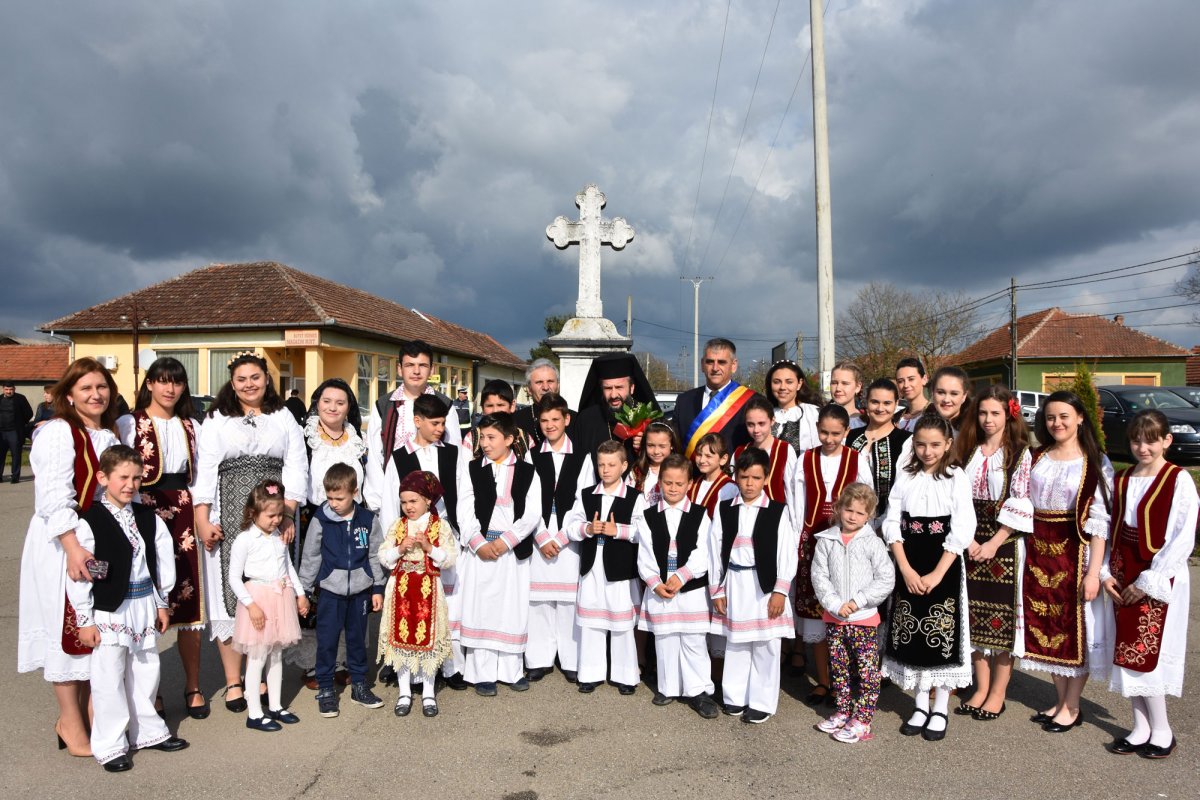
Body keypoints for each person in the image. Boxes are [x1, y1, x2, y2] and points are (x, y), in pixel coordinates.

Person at [18, 358, 121, 757]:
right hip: (64, 541)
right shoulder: (59, 433)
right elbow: (52, 496)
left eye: (102, 387)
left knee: (95, 627)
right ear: (68, 395)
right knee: (68, 628)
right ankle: (69, 722)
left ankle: (93, 714)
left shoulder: (109, 436)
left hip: (98, 540)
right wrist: (72, 545)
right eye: (86, 389)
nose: (96, 395)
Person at [193, 353, 308, 714]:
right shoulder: (216, 418)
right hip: (229, 508)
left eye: (255, 377)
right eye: (241, 378)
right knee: (231, 591)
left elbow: (296, 465)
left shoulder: (282, 416)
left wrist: (288, 514)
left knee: (268, 583)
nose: (249, 384)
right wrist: (202, 517)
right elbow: (206, 467)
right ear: (232, 381)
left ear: (266, 379)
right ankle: (233, 680)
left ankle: (259, 670)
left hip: (275, 511)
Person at [66, 445, 188, 771]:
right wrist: (84, 618)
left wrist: (162, 603)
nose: (130, 485)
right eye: (123, 478)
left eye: (136, 478)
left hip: (144, 602)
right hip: (109, 608)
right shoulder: (90, 520)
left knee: (146, 668)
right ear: (103, 477)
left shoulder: (147, 518)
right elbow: (82, 573)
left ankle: (147, 731)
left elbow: (160, 563)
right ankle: (110, 744)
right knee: (109, 676)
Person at [1100, 410, 1197, 759]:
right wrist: (1106, 570)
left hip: (1157, 574)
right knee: (1126, 651)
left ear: (1167, 441)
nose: (1143, 447)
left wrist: (1150, 579)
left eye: (1151, 440)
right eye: (1137, 440)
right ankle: (1140, 727)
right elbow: (1111, 530)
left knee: (1145, 653)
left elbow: (1181, 537)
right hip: (1124, 569)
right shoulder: (1123, 479)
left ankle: (1163, 730)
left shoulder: (1177, 479)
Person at [117, 356, 208, 719]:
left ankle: (193, 685)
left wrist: (203, 515)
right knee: (144, 597)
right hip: (143, 509)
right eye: (163, 381)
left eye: (177, 382)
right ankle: (148, 692)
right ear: (150, 384)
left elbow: (200, 475)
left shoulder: (191, 425)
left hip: (183, 509)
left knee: (188, 599)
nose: (170, 388)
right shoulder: (129, 422)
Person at [882, 415, 976, 742]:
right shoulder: (906, 476)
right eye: (921, 444)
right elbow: (892, 521)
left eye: (935, 444)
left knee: (942, 633)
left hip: (943, 564)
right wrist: (905, 569)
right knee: (911, 635)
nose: (927, 451)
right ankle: (920, 704)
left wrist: (938, 573)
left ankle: (940, 707)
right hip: (909, 560)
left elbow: (963, 527)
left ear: (948, 444)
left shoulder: (956, 477)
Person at [1023, 391, 1113, 733]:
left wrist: (1094, 574)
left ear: (1080, 418)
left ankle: (1072, 706)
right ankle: (1059, 699)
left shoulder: (1095, 462)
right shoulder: (1037, 456)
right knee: (1045, 627)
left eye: (1063, 416)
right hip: (1037, 550)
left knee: (1077, 631)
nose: (1056, 423)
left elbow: (1101, 521)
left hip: (1075, 551)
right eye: (1050, 417)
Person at [952, 385, 1032, 720]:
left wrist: (994, 542)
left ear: (1008, 415)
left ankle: (998, 691)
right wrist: (969, 540)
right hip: (970, 540)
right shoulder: (968, 450)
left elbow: (1021, 500)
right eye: (983, 413)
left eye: (995, 413)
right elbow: (955, 497)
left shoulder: (1019, 453)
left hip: (1004, 543)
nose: (987, 420)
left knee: (1002, 622)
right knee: (973, 616)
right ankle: (980, 687)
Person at [378, 392, 469, 689]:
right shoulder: (400, 457)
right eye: (435, 423)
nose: (441, 429)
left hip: (443, 537)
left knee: (449, 605)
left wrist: (457, 534)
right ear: (417, 421)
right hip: (412, 543)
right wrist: (395, 542)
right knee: (411, 603)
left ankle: (450, 666)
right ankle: (404, 663)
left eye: (443, 423)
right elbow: (392, 504)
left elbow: (462, 496)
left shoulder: (453, 453)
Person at [708, 447, 798, 724]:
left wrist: (780, 591)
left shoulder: (777, 511)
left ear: (766, 478)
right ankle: (735, 697)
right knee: (736, 643)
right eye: (744, 477)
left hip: (765, 587)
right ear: (735, 477)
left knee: (765, 646)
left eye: (756, 478)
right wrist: (717, 589)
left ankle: (761, 702)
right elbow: (714, 549)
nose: (749, 484)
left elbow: (787, 552)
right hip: (734, 582)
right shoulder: (725, 509)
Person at [455, 412, 542, 696]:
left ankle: (511, 670)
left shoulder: (528, 471)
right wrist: (479, 542)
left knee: (510, 609)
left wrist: (507, 541)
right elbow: (464, 510)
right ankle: (481, 673)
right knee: (481, 609)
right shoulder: (472, 469)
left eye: (492, 438)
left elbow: (531, 513)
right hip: (480, 551)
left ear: (509, 439)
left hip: (511, 551)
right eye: (482, 438)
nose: (486, 444)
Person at [791, 404, 871, 701]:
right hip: (813, 543)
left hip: (846, 545)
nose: (828, 438)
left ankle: (845, 680)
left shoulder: (856, 459)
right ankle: (824, 680)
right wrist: (797, 540)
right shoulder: (806, 459)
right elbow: (797, 504)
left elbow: (867, 505)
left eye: (836, 433)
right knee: (817, 615)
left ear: (846, 432)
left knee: (844, 613)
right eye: (823, 432)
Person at [298, 463, 386, 718]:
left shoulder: (368, 520)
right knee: (327, 642)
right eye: (329, 497)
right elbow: (311, 556)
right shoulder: (321, 519)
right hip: (330, 592)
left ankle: (360, 685)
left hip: (360, 591)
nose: (334, 503)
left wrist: (377, 587)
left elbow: (374, 555)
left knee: (357, 641)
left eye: (339, 498)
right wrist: (303, 590)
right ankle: (325, 689)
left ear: (354, 492)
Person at [635, 454, 719, 718]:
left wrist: (683, 575)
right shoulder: (648, 517)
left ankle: (698, 691)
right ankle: (668, 687)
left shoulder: (700, 514)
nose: (672, 488)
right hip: (661, 589)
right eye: (667, 483)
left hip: (690, 589)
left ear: (689, 484)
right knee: (666, 639)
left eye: (678, 483)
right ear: (659, 483)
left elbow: (704, 552)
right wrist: (655, 583)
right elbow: (645, 555)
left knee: (693, 640)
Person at [811, 484, 895, 744]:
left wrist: (857, 601)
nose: (852, 517)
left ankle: (863, 719)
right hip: (835, 617)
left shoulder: (873, 543)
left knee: (867, 670)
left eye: (860, 513)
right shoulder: (826, 540)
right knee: (839, 668)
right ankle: (843, 711)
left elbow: (885, 579)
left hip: (864, 619)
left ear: (869, 515)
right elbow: (820, 576)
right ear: (838, 508)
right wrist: (835, 604)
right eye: (848, 510)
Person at [564, 439, 646, 694]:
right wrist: (588, 528)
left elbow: (643, 531)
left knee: (620, 622)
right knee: (591, 621)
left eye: (611, 464)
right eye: (601, 465)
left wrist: (617, 530)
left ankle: (625, 676)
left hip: (619, 567)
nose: (606, 470)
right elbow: (571, 525)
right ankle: (590, 673)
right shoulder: (587, 494)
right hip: (592, 565)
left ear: (623, 466)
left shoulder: (635, 497)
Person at [228, 479, 309, 732]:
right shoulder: (244, 540)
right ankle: (254, 712)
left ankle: (275, 705)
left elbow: (288, 569)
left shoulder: (278, 537)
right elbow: (233, 577)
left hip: (280, 597)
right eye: (271, 515)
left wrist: (300, 594)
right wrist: (251, 605)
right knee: (257, 656)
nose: (276, 520)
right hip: (259, 599)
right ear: (254, 513)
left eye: (279, 515)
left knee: (276, 655)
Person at [378, 470, 459, 717]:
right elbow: (383, 556)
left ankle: (428, 692)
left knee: (428, 640)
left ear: (427, 500)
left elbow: (449, 559)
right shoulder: (398, 526)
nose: (408, 507)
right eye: (403, 502)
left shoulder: (439, 525)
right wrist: (399, 549)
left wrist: (428, 548)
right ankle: (404, 691)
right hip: (401, 589)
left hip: (427, 590)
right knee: (401, 639)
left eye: (413, 501)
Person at [527, 393, 594, 683]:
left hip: (568, 537)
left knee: (568, 603)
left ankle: (570, 658)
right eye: (544, 420)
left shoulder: (583, 456)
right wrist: (541, 535)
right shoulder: (531, 456)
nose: (550, 425)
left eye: (555, 419)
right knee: (539, 603)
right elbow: (527, 500)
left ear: (567, 419)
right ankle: (539, 659)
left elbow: (585, 499)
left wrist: (564, 535)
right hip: (539, 537)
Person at [364, 340, 460, 512]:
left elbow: (455, 453)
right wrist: (378, 502)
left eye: (422, 365)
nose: (416, 371)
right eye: (410, 365)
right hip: (395, 497)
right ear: (400, 369)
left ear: (432, 370)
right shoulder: (384, 405)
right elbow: (375, 456)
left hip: (437, 500)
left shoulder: (445, 405)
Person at [673, 338, 756, 458]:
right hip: (691, 475)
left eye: (722, 362)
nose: (715, 368)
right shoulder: (684, 401)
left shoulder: (751, 401)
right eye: (710, 362)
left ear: (733, 365)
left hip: (731, 475)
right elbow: (674, 443)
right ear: (702, 364)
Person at [847, 378, 913, 530]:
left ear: (896, 404)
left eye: (887, 403)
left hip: (889, 523)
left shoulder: (905, 440)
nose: (880, 408)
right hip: (850, 520)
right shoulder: (852, 436)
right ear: (866, 403)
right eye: (875, 402)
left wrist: (887, 526)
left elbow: (904, 488)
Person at [572, 353, 661, 462]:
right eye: (608, 388)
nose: (613, 395)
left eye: (619, 387)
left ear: (631, 388)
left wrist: (648, 446)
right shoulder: (586, 420)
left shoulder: (648, 416)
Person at [732, 395, 798, 516]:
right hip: (744, 516)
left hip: (775, 517)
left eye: (761, 423)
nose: (756, 430)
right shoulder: (740, 452)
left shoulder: (784, 450)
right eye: (750, 424)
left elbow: (792, 492)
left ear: (772, 420)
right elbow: (734, 490)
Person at [463, 379, 531, 460]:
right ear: (482, 408)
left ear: (512, 406)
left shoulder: (525, 437)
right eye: (490, 406)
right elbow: (464, 470)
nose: (495, 410)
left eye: (500, 405)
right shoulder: (472, 438)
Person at [764, 360, 820, 454]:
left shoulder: (813, 413)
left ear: (799, 384)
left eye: (789, 382)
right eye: (777, 382)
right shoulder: (764, 413)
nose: (782, 387)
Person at [515, 359, 570, 447]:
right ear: (529, 389)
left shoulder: (576, 420)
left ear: (558, 386)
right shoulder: (516, 421)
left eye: (550, 381)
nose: (545, 387)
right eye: (539, 382)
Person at [686, 432, 737, 518]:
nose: (702, 460)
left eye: (708, 456)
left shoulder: (729, 488)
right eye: (699, 454)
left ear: (723, 459)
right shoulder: (693, 483)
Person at [632, 420, 682, 505]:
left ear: (672, 445)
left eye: (662, 446)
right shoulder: (637, 472)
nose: (656, 451)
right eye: (651, 445)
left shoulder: (682, 470)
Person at [1, 380, 33, 482]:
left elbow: (29, 413)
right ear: (3, 389)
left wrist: (20, 423)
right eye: (6, 389)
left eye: (11, 389)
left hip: (14, 432)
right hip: (1, 432)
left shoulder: (20, 399)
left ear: (14, 389)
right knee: (0, 455)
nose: (9, 391)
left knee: (16, 454)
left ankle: (15, 477)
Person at [929, 366, 970, 433]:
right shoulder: (921, 426)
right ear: (932, 393)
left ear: (964, 396)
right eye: (941, 392)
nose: (946, 400)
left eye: (954, 393)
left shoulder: (974, 431)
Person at [894, 357, 930, 432]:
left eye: (911, 379)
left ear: (924, 379)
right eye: (900, 381)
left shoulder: (936, 413)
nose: (906, 385)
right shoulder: (895, 418)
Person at [829, 362, 866, 431]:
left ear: (858, 387)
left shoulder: (866, 421)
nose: (838, 388)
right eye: (834, 383)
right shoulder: (818, 417)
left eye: (845, 383)